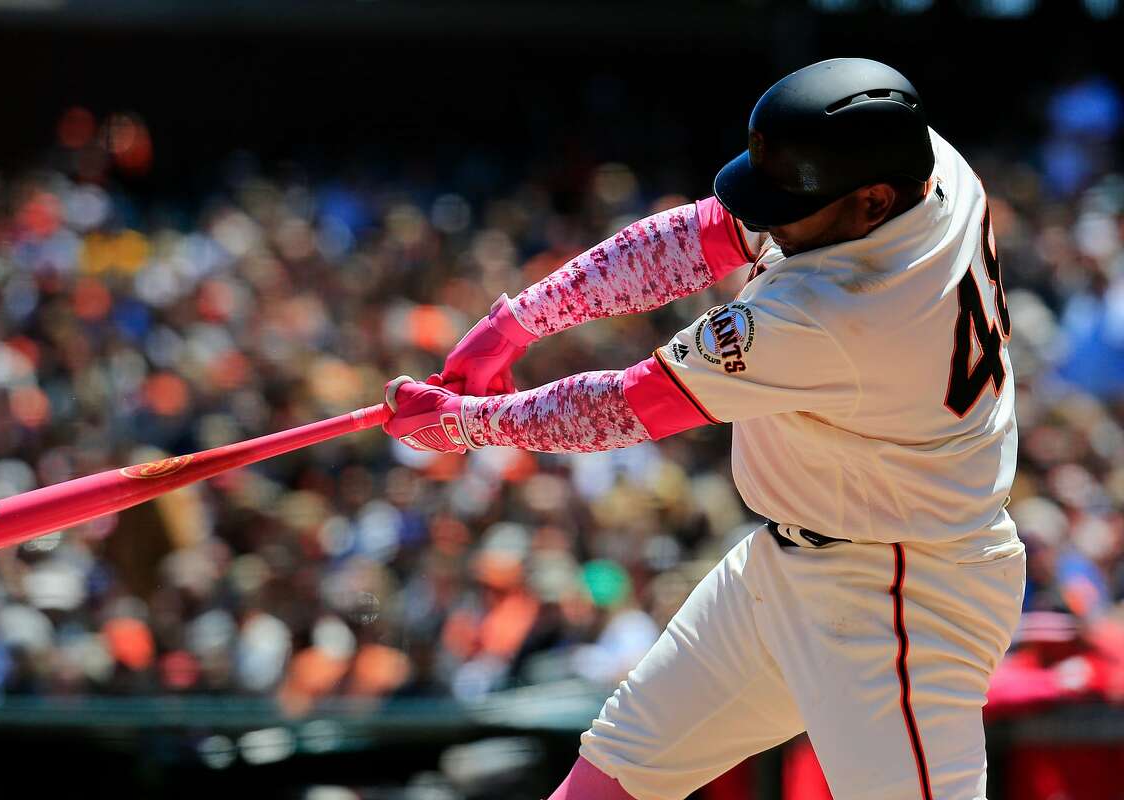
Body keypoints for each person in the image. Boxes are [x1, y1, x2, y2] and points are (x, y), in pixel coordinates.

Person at [382, 58, 1025, 800]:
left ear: (873, 201)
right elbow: (697, 237)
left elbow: (627, 405)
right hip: (791, 564)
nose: (762, 219)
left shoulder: (836, 312)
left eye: (788, 202)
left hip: (903, 596)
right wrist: (513, 323)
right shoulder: (926, 163)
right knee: (604, 785)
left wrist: (467, 425)